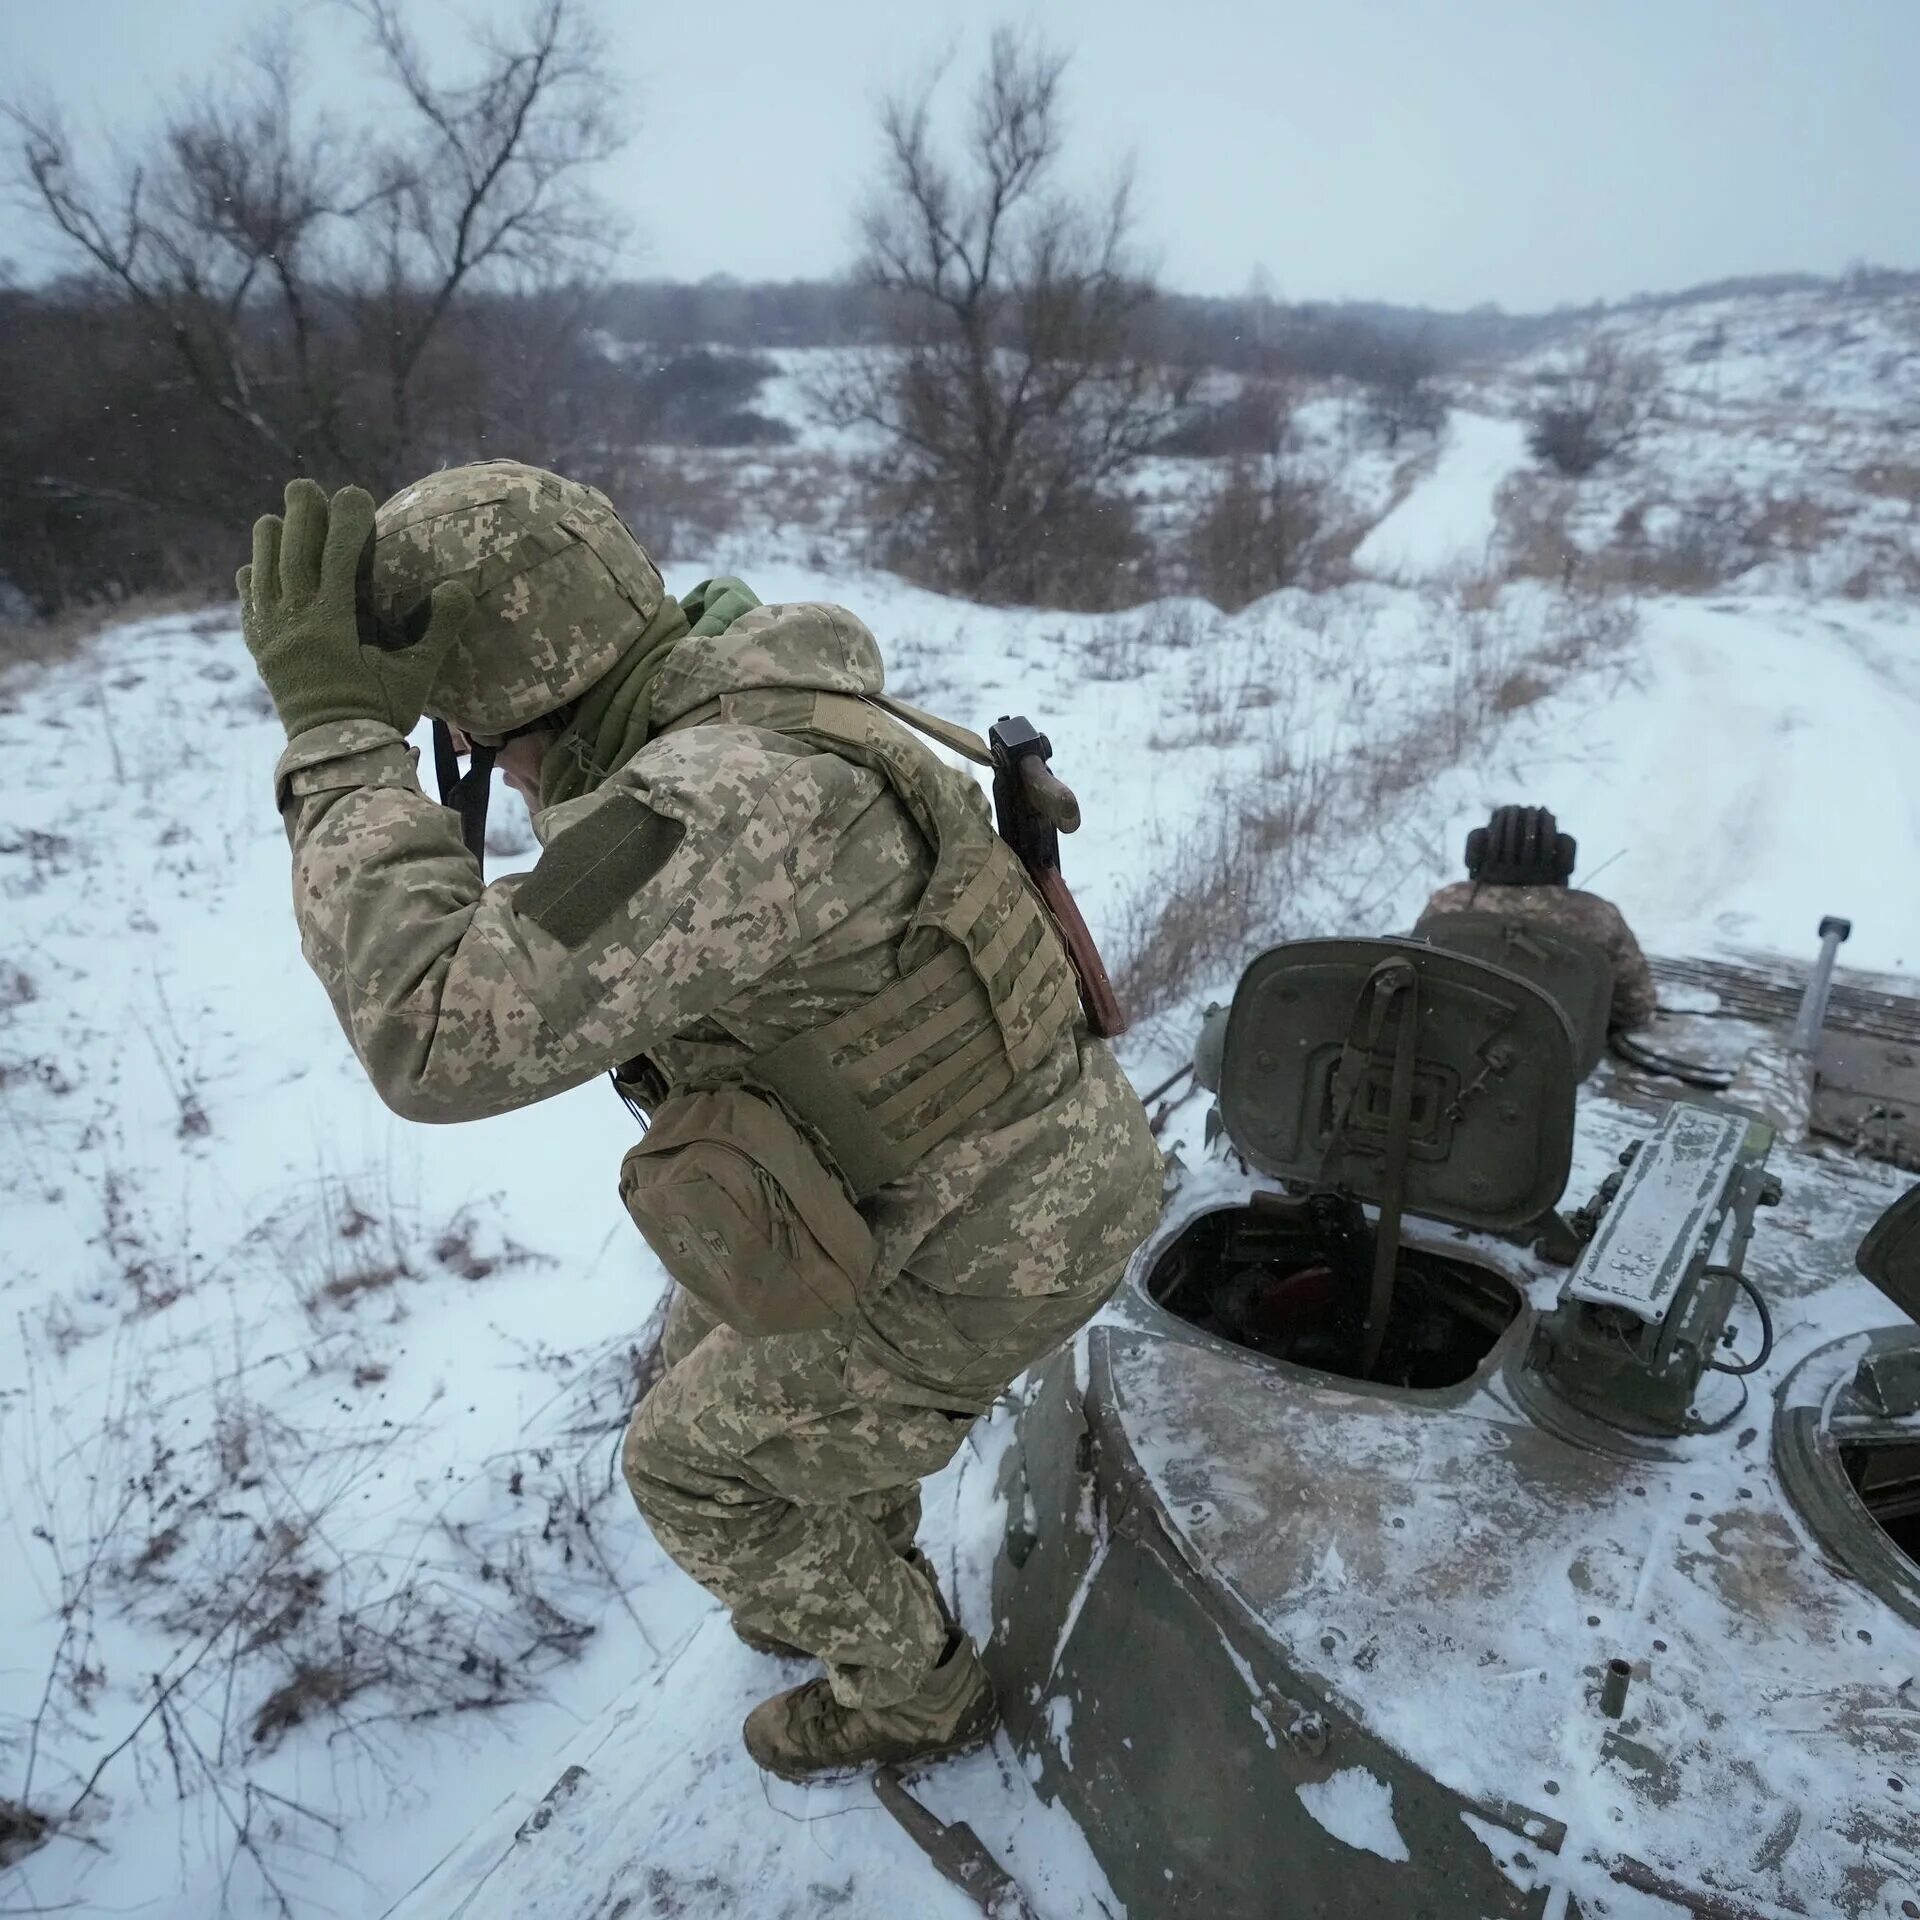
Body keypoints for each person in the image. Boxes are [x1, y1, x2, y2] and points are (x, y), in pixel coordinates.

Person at [235, 461, 1160, 1782]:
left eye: (472, 737)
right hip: (969, 1168)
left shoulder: (716, 804)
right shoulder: (753, 685)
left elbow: (432, 1036)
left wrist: (336, 738)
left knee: (687, 1470)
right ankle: (841, 1544)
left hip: (997, 1234)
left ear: (505, 713)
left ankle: (914, 1693)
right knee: (700, 1354)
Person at [1414, 804, 1658, 1031]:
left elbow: (1414, 974)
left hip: (1457, 1045)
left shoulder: (1448, 903)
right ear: (1564, 857)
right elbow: (1636, 1008)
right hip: (1558, 1061)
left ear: (1476, 852)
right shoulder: (1597, 915)